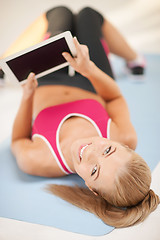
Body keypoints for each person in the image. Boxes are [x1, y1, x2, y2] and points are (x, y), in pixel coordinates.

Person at [8, 6, 159, 228]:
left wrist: (28, 96)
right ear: (123, 145)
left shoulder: (39, 161)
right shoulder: (124, 135)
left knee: (60, 14)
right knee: (89, 15)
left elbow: (18, 140)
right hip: (91, 78)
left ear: (92, 188)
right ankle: (135, 59)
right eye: (108, 150)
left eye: (95, 170)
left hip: (47, 80)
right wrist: (89, 69)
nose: (90, 152)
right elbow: (115, 97)